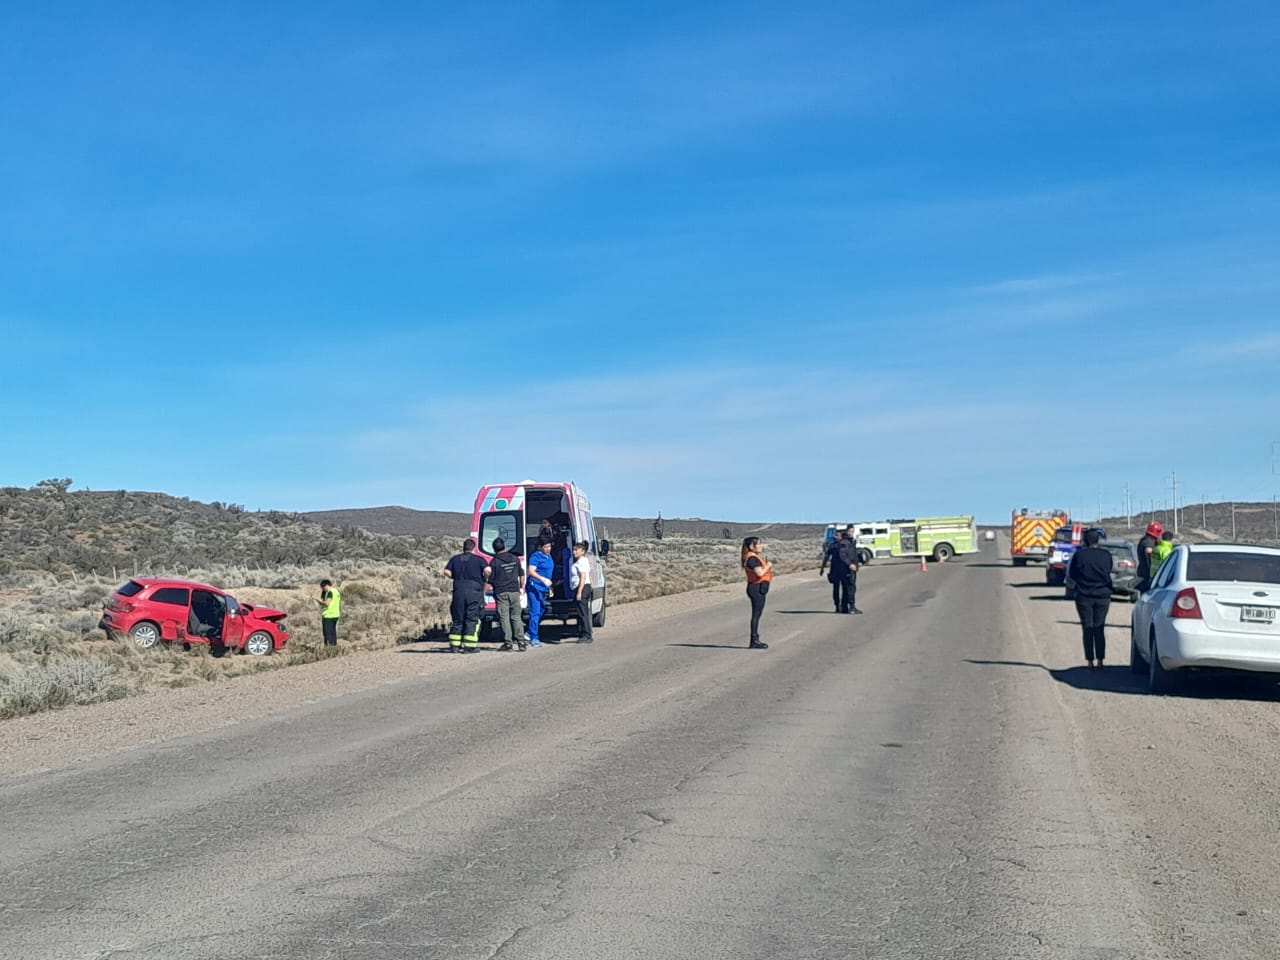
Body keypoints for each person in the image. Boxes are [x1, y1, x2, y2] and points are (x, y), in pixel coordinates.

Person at [1066, 528, 1113, 671]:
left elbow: (1072, 574)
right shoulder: (1106, 555)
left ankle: (1090, 661)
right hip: (1103, 595)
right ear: (1098, 540)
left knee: (1087, 627)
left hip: (1084, 595)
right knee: (1099, 627)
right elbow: (1109, 570)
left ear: (1085, 541)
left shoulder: (1079, 555)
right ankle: (1100, 660)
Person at [442, 539, 491, 653]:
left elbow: (446, 572)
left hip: (458, 590)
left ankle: (455, 646)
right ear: (474, 548)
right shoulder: (479, 559)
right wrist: (485, 578)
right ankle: (469, 646)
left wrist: (455, 576)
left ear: (463, 547)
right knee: (471, 618)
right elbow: (488, 570)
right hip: (474, 591)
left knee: (458, 618)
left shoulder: (455, 559)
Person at [487, 538, 525, 651]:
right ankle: (521, 642)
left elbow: (490, 580)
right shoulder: (515, 558)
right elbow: (521, 574)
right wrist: (521, 587)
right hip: (514, 591)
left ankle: (508, 643)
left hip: (501, 592)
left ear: (494, 549)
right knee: (516, 617)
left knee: (504, 618)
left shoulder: (494, 562)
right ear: (504, 546)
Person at [819, 527, 863, 614]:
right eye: (835, 535)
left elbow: (853, 554)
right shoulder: (838, 544)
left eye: (837, 535)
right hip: (840, 570)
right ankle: (842, 607)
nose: (835, 537)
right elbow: (828, 556)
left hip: (841, 570)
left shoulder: (844, 543)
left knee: (845, 588)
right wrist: (822, 568)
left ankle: (844, 607)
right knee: (843, 588)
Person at [742, 536, 773, 649]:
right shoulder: (752, 559)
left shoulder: (753, 557)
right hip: (756, 588)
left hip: (757, 587)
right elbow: (759, 573)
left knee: (757, 614)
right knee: (756, 615)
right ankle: (754, 640)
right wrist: (768, 566)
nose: (760, 546)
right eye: (758, 544)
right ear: (752, 546)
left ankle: (754, 639)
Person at [526, 539, 555, 647]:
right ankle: (534, 638)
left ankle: (530, 631)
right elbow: (531, 571)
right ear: (540, 547)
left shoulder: (549, 556)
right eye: (545, 547)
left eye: (549, 546)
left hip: (544, 587)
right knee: (535, 612)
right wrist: (542, 579)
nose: (548, 549)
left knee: (543, 608)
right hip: (535, 586)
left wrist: (549, 586)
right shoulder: (536, 556)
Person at [570, 540, 594, 643]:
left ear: (583, 551)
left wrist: (579, 591)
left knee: (583, 612)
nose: (574, 552)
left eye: (576, 550)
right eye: (573, 550)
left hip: (583, 588)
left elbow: (583, 576)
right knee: (581, 612)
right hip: (582, 587)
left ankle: (587, 635)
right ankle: (583, 633)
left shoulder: (582, 561)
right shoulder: (580, 561)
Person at [1135, 521, 1163, 592]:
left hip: (1143, 572)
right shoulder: (1148, 542)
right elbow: (1148, 553)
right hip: (1146, 574)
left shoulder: (1145, 540)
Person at [316, 579, 341, 646]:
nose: (323, 589)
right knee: (333, 633)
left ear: (326, 585)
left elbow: (327, 603)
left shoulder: (330, 592)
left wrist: (319, 601)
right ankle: (334, 647)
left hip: (328, 616)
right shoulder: (337, 591)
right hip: (336, 615)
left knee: (328, 634)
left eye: (323, 588)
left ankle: (329, 648)